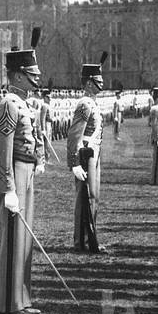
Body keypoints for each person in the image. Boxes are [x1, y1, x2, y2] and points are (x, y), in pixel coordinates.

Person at [0, 29, 45, 314]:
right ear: (20, 75)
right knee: (13, 241)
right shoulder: (9, 104)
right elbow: (3, 151)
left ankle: (22, 299)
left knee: (23, 238)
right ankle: (10, 303)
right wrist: (8, 189)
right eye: (32, 74)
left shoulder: (23, 103)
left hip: (27, 173)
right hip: (15, 175)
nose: (37, 78)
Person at [67, 53, 107, 254]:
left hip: (96, 152)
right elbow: (75, 134)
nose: (102, 83)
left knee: (94, 196)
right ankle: (80, 240)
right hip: (86, 152)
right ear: (90, 83)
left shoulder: (93, 102)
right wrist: (74, 162)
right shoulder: (84, 103)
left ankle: (90, 237)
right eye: (98, 80)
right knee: (86, 195)